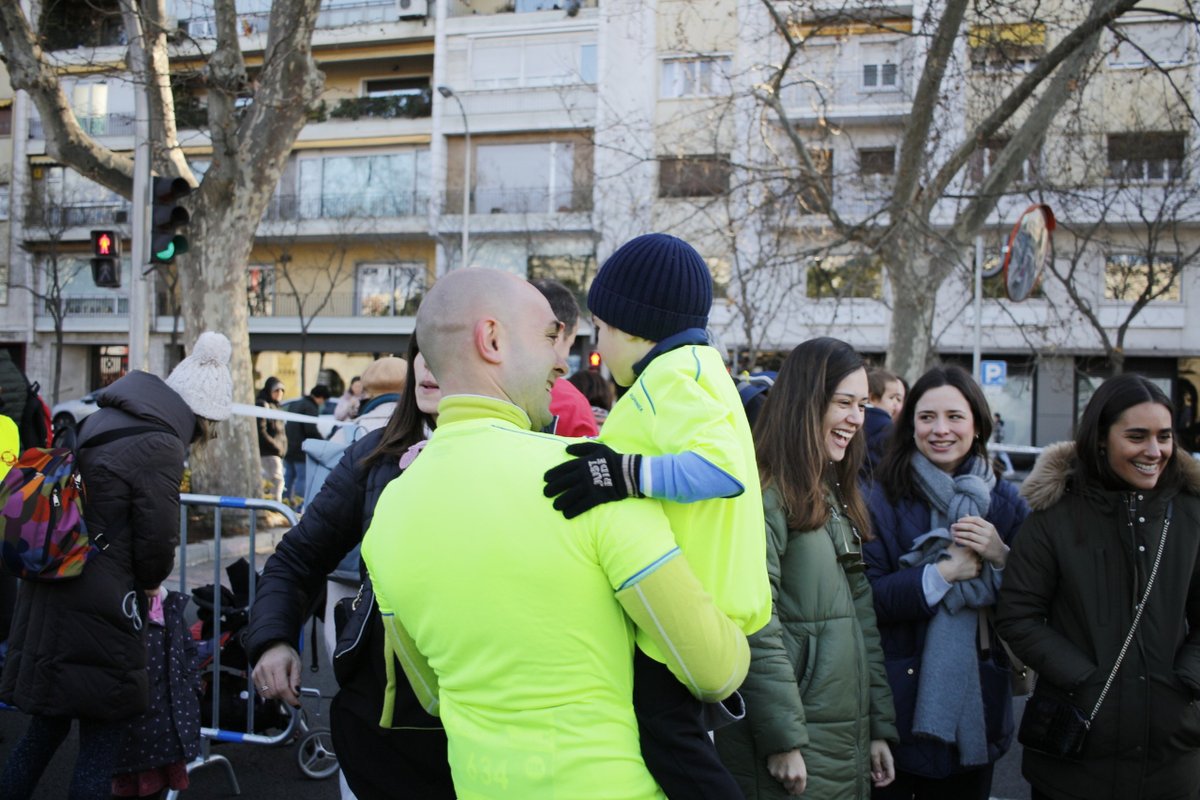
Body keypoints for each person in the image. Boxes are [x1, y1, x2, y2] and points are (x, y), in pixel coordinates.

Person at [361, 268, 750, 800]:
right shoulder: (586, 475)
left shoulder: (391, 511)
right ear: (492, 340)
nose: (562, 359)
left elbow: (428, 692)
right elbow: (714, 669)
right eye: (549, 335)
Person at [541, 233, 771, 799]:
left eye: (602, 328)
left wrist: (624, 474)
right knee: (673, 745)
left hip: (682, 609)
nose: (598, 343)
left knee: (672, 746)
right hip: (695, 604)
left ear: (635, 327)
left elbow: (721, 469)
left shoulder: (675, 374)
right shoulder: (691, 371)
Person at [0, 331, 233, 800]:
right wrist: (150, 586)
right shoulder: (162, 445)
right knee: (100, 746)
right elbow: (157, 539)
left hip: (58, 584)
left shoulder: (105, 416)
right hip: (103, 606)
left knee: (43, 733)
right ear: (202, 414)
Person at [247, 335, 453, 800]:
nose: (428, 366)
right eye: (421, 350)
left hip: (487, 732)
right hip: (379, 726)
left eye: (446, 347)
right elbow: (297, 557)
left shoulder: (539, 452)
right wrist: (273, 639)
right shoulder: (375, 455)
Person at [996, 374, 1200, 800]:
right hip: (1074, 757)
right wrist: (1084, 678)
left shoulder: (1191, 514)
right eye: (1137, 436)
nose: (1154, 451)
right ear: (1101, 439)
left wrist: (1187, 683)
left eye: (1164, 436)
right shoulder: (1054, 517)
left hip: (1172, 760)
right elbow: (1018, 616)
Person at [717, 338, 898, 799]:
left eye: (862, 405)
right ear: (806, 402)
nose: (857, 419)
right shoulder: (767, 495)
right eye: (844, 403)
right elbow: (754, 621)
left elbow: (862, 622)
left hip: (838, 739)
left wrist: (878, 725)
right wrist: (782, 739)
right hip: (793, 743)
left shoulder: (831, 490)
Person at [863, 365, 1028, 800]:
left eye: (954, 417)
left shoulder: (1007, 502)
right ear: (909, 423)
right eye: (926, 417)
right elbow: (868, 598)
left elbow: (1035, 603)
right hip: (896, 706)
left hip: (978, 704)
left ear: (977, 424)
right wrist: (940, 574)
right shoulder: (880, 496)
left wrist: (1000, 556)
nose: (940, 430)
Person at [110, 586, 201, 799]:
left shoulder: (169, 607)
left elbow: (188, 654)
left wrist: (192, 690)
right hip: (129, 735)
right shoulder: (117, 609)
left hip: (165, 733)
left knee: (154, 787)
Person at [530, 277, 600, 437]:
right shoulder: (572, 404)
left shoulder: (485, 389)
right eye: (571, 343)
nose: (565, 362)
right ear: (556, 333)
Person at [284, 383, 330, 510]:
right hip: (301, 449)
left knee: (289, 476)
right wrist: (323, 441)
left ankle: (285, 503)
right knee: (301, 479)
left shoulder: (296, 403)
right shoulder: (310, 407)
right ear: (320, 397)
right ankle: (299, 506)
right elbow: (310, 430)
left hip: (289, 447)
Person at [864, 367, 904, 479]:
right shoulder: (888, 428)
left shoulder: (856, 419)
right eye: (892, 398)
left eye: (897, 399)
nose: (895, 404)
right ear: (873, 398)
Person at [256, 376, 288, 505]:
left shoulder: (276, 406)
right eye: (276, 390)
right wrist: (276, 447)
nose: (279, 393)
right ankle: (273, 508)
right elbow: (261, 430)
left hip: (275, 453)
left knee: (275, 482)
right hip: (268, 453)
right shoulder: (263, 404)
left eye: (281, 390)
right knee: (276, 482)